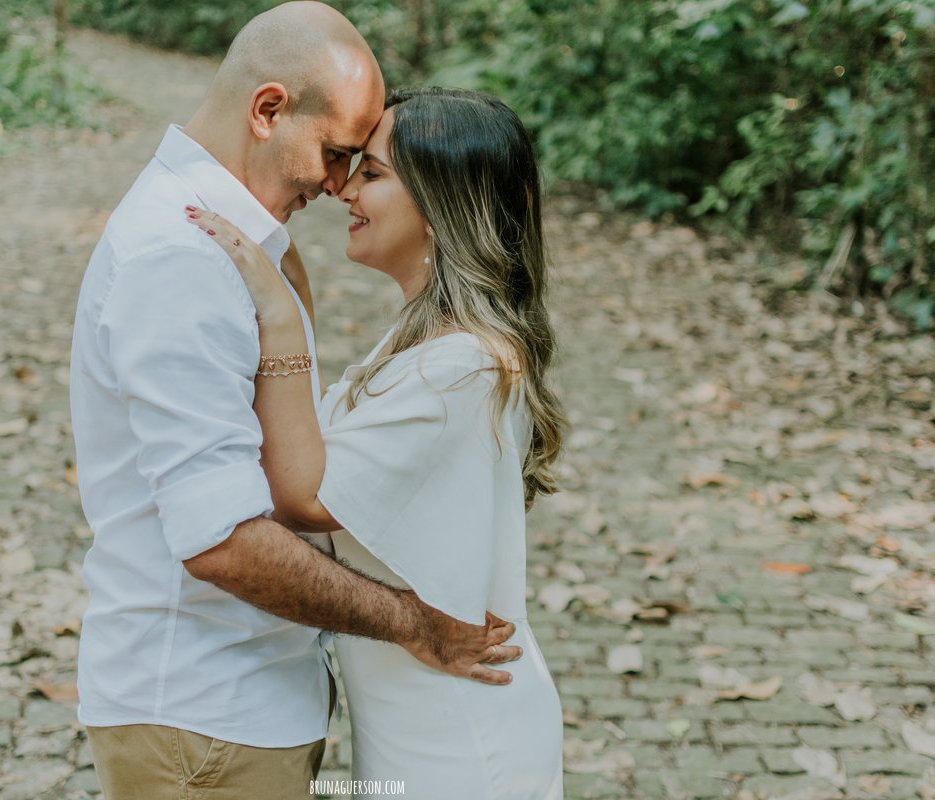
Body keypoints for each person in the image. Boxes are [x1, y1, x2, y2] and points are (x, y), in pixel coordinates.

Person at [68, 4, 523, 798]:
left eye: (364, 166)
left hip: (238, 707)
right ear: (269, 109)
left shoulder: (239, 250)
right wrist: (412, 623)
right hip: (203, 716)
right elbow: (222, 540)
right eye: (339, 153)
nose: (340, 183)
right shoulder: (183, 258)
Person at [185, 87, 566, 799]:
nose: (344, 190)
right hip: (411, 729)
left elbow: (306, 494)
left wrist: (281, 317)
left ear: (442, 204)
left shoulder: (465, 364)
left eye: (373, 172)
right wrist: (286, 274)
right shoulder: (420, 342)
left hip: (459, 744)